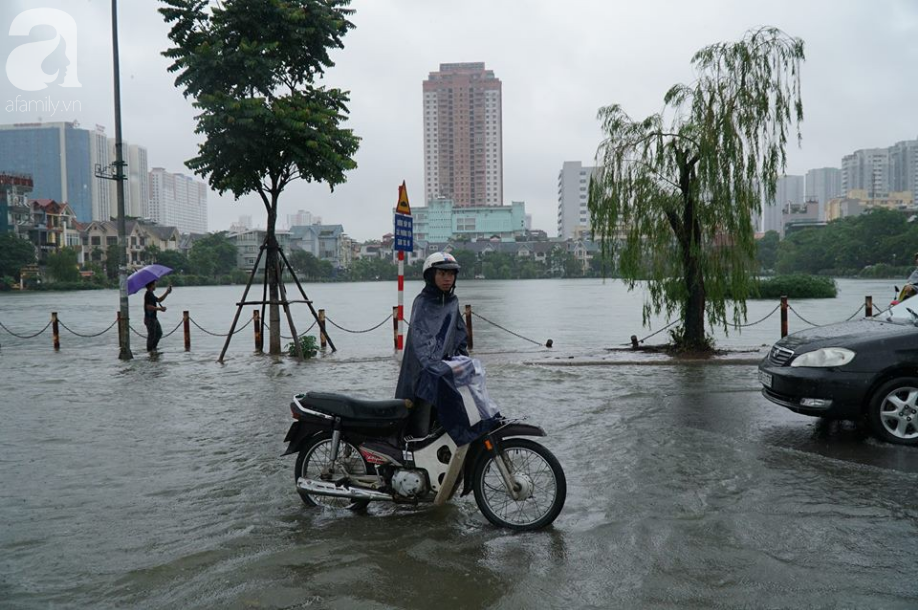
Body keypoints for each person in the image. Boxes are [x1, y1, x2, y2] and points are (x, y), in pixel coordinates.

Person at [395, 252, 468, 436]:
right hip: (423, 376)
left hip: (445, 373)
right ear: (431, 276)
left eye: (451, 274)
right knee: (421, 428)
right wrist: (434, 366)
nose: (447, 279)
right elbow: (422, 342)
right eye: (442, 274)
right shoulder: (423, 303)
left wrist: (465, 364)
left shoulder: (452, 302)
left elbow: (459, 336)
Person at [144, 280, 172, 352]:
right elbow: (148, 306)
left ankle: (153, 350)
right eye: (155, 284)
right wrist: (160, 309)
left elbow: (159, 300)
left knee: (159, 333)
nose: (155, 285)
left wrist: (167, 292)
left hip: (153, 318)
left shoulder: (151, 294)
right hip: (150, 319)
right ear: (151, 285)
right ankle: (150, 350)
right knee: (152, 335)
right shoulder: (148, 294)